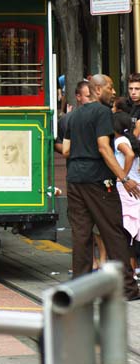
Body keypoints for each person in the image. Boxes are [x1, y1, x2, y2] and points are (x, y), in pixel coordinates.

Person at [62, 74, 140, 301]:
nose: (114, 91)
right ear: (97, 89)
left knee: (81, 235)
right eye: (110, 86)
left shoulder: (73, 116)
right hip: (98, 180)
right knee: (114, 232)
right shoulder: (104, 112)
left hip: (74, 179)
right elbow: (104, 147)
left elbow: (66, 151)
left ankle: (79, 291)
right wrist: (124, 179)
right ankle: (127, 288)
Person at [114, 111, 140, 274]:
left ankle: (129, 270)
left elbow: (129, 155)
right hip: (134, 185)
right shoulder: (130, 139)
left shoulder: (119, 141)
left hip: (126, 188)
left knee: (126, 230)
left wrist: (122, 175)